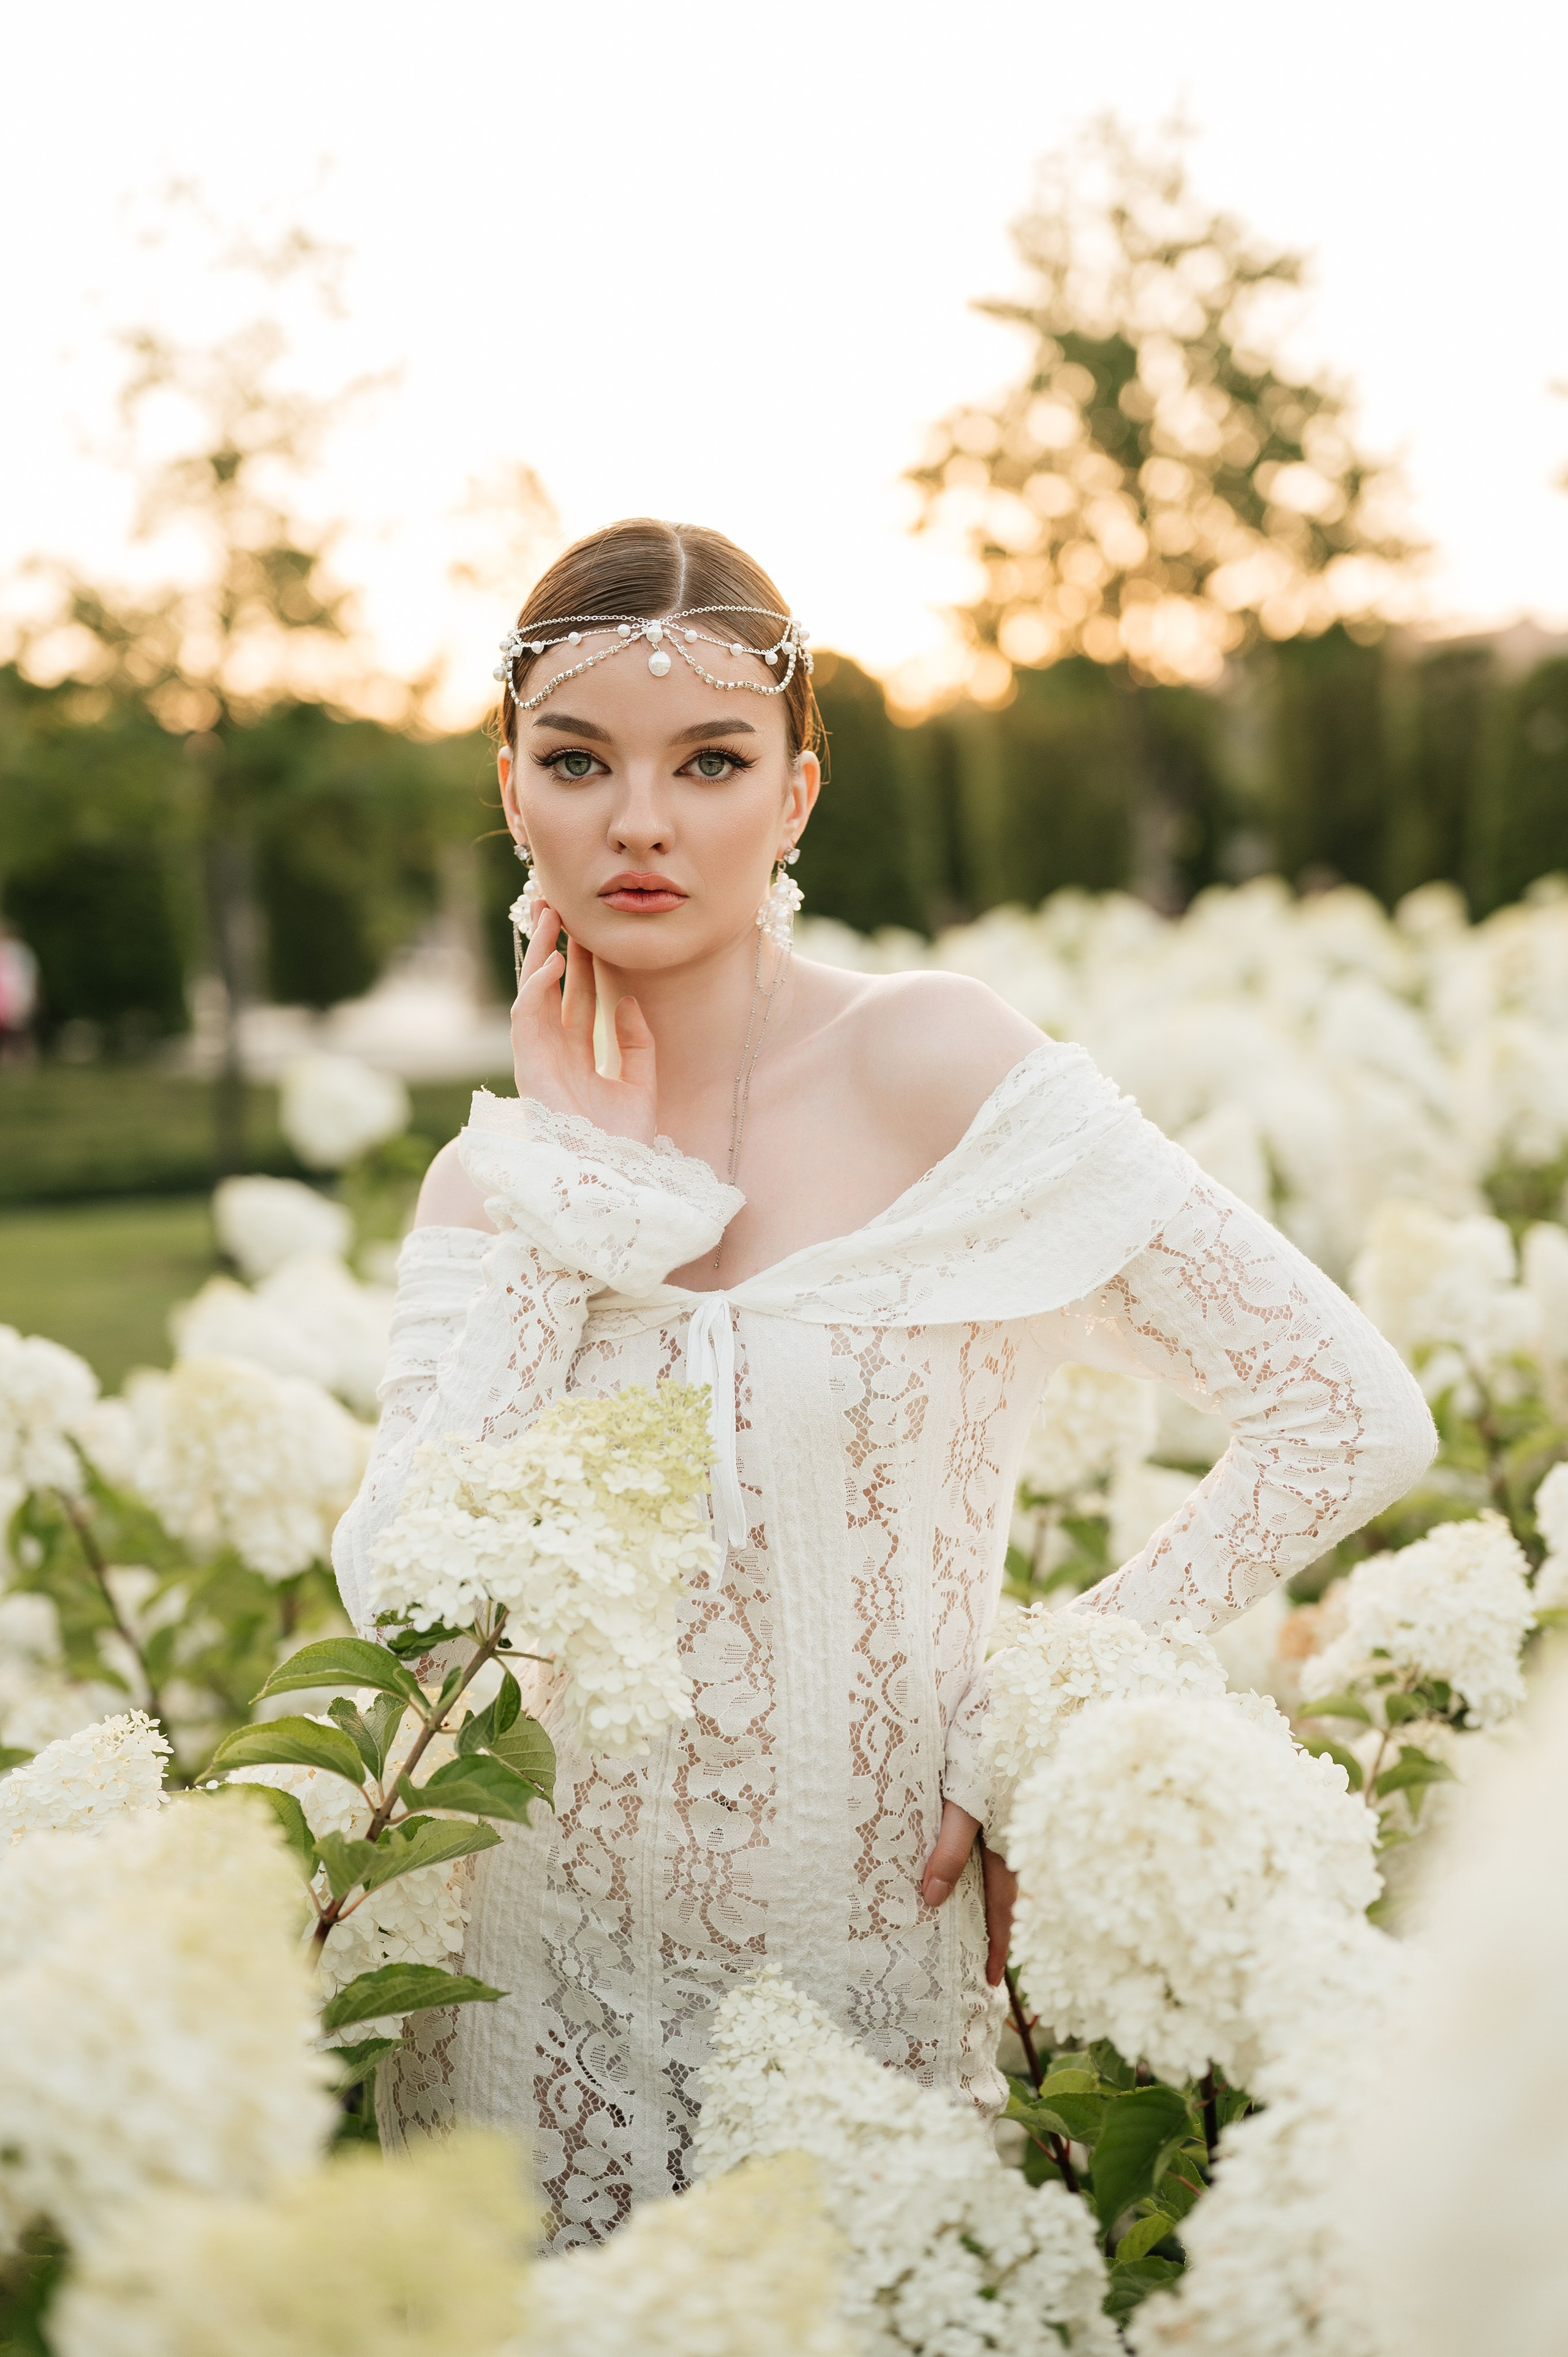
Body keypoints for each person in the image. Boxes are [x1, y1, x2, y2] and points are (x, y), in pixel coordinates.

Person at [332, 516, 1434, 2245]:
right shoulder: (492, 1187)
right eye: (580, 760)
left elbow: (1345, 1410)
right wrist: (579, 1188)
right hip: (521, 2026)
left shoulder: (935, 1062)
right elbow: (398, 1593)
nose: (640, 820)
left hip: (859, 1990)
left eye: (710, 762)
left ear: (796, 794)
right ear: (514, 791)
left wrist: (1032, 1713)